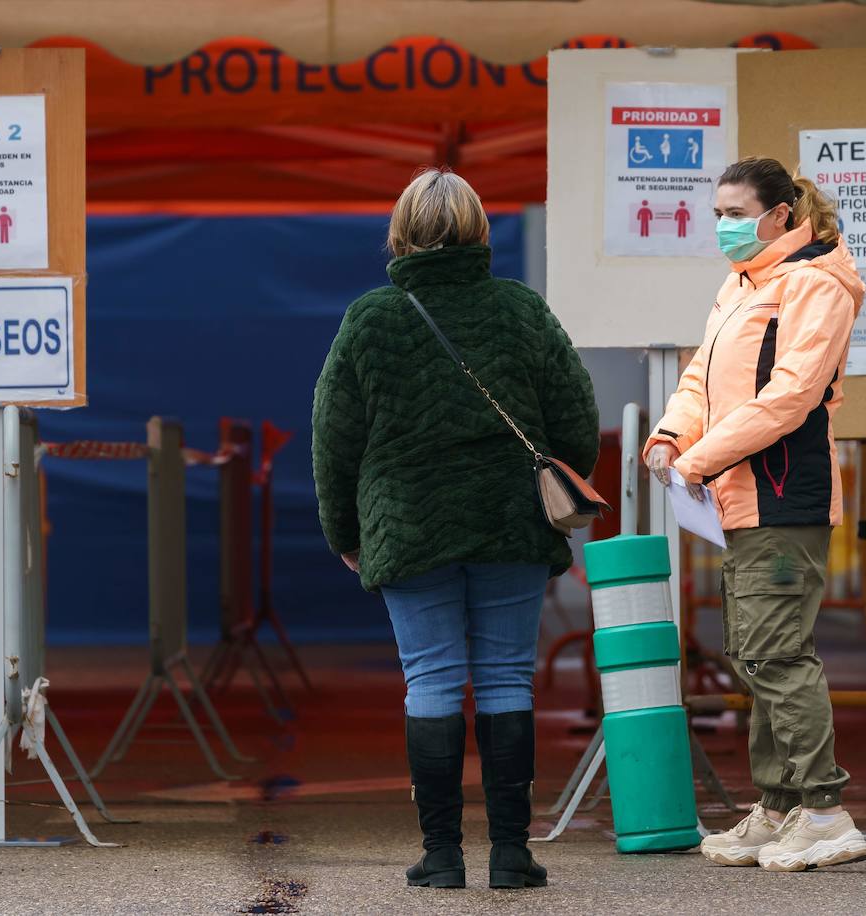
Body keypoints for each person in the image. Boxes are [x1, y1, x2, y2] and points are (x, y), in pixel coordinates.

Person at [312, 168, 599, 890]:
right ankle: (510, 853)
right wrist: (550, 489)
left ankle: (441, 856)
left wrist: (346, 532)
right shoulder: (521, 310)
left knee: (431, 680)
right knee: (507, 677)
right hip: (508, 521)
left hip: (407, 527)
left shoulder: (370, 318)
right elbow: (574, 418)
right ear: (479, 231)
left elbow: (333, 439)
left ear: (401, 233)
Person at [643, 157, 866, 872]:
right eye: (717, 213)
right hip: (740, 496)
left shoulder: (814, 284)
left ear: (780, 215)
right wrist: (672, 435)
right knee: (752, 650)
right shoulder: (742, 284)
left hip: (781, 491)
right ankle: (778, 809)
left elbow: (790, 396)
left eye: (735, 213)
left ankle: (827, 813)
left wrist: (700, 458)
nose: (723, 226)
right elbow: (699, 376)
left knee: (775, 651)